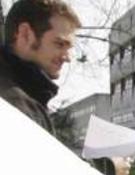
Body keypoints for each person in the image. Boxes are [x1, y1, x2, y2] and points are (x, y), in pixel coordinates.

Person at [0, 0, 79, 134]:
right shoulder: (16, 106)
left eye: (68, 48)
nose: (67, 57)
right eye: (59, 44)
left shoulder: (25, 99)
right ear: (25, 34)